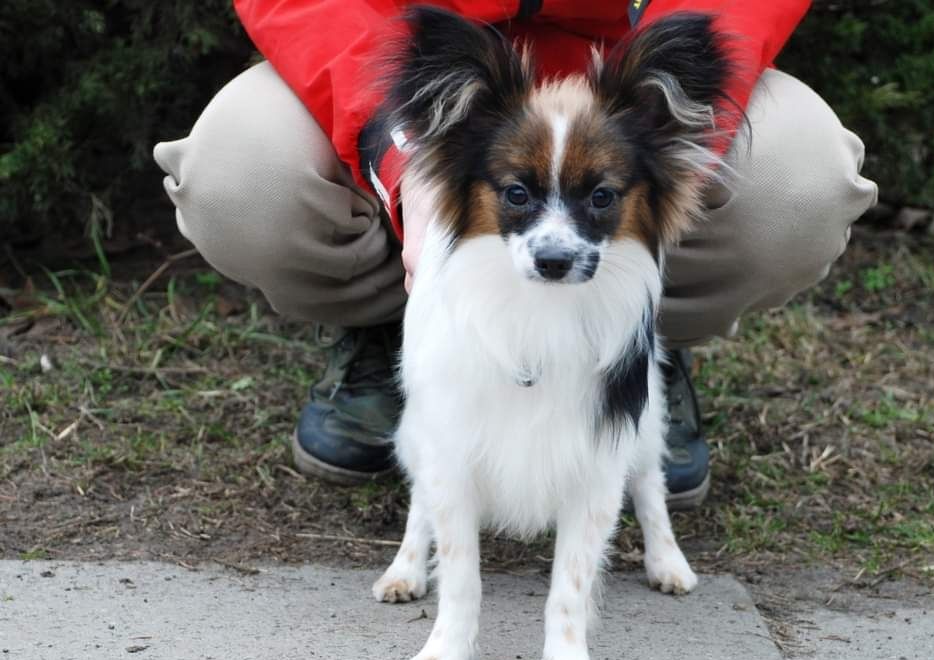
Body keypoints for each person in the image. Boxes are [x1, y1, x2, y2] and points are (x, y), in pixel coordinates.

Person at [153, 0, 877, 509]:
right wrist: (408, 155)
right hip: (412, 64)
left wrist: (641, 131)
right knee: (240, 176)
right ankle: (396, 340)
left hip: (617, 64)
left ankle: (633, 351)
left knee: (799, 183)